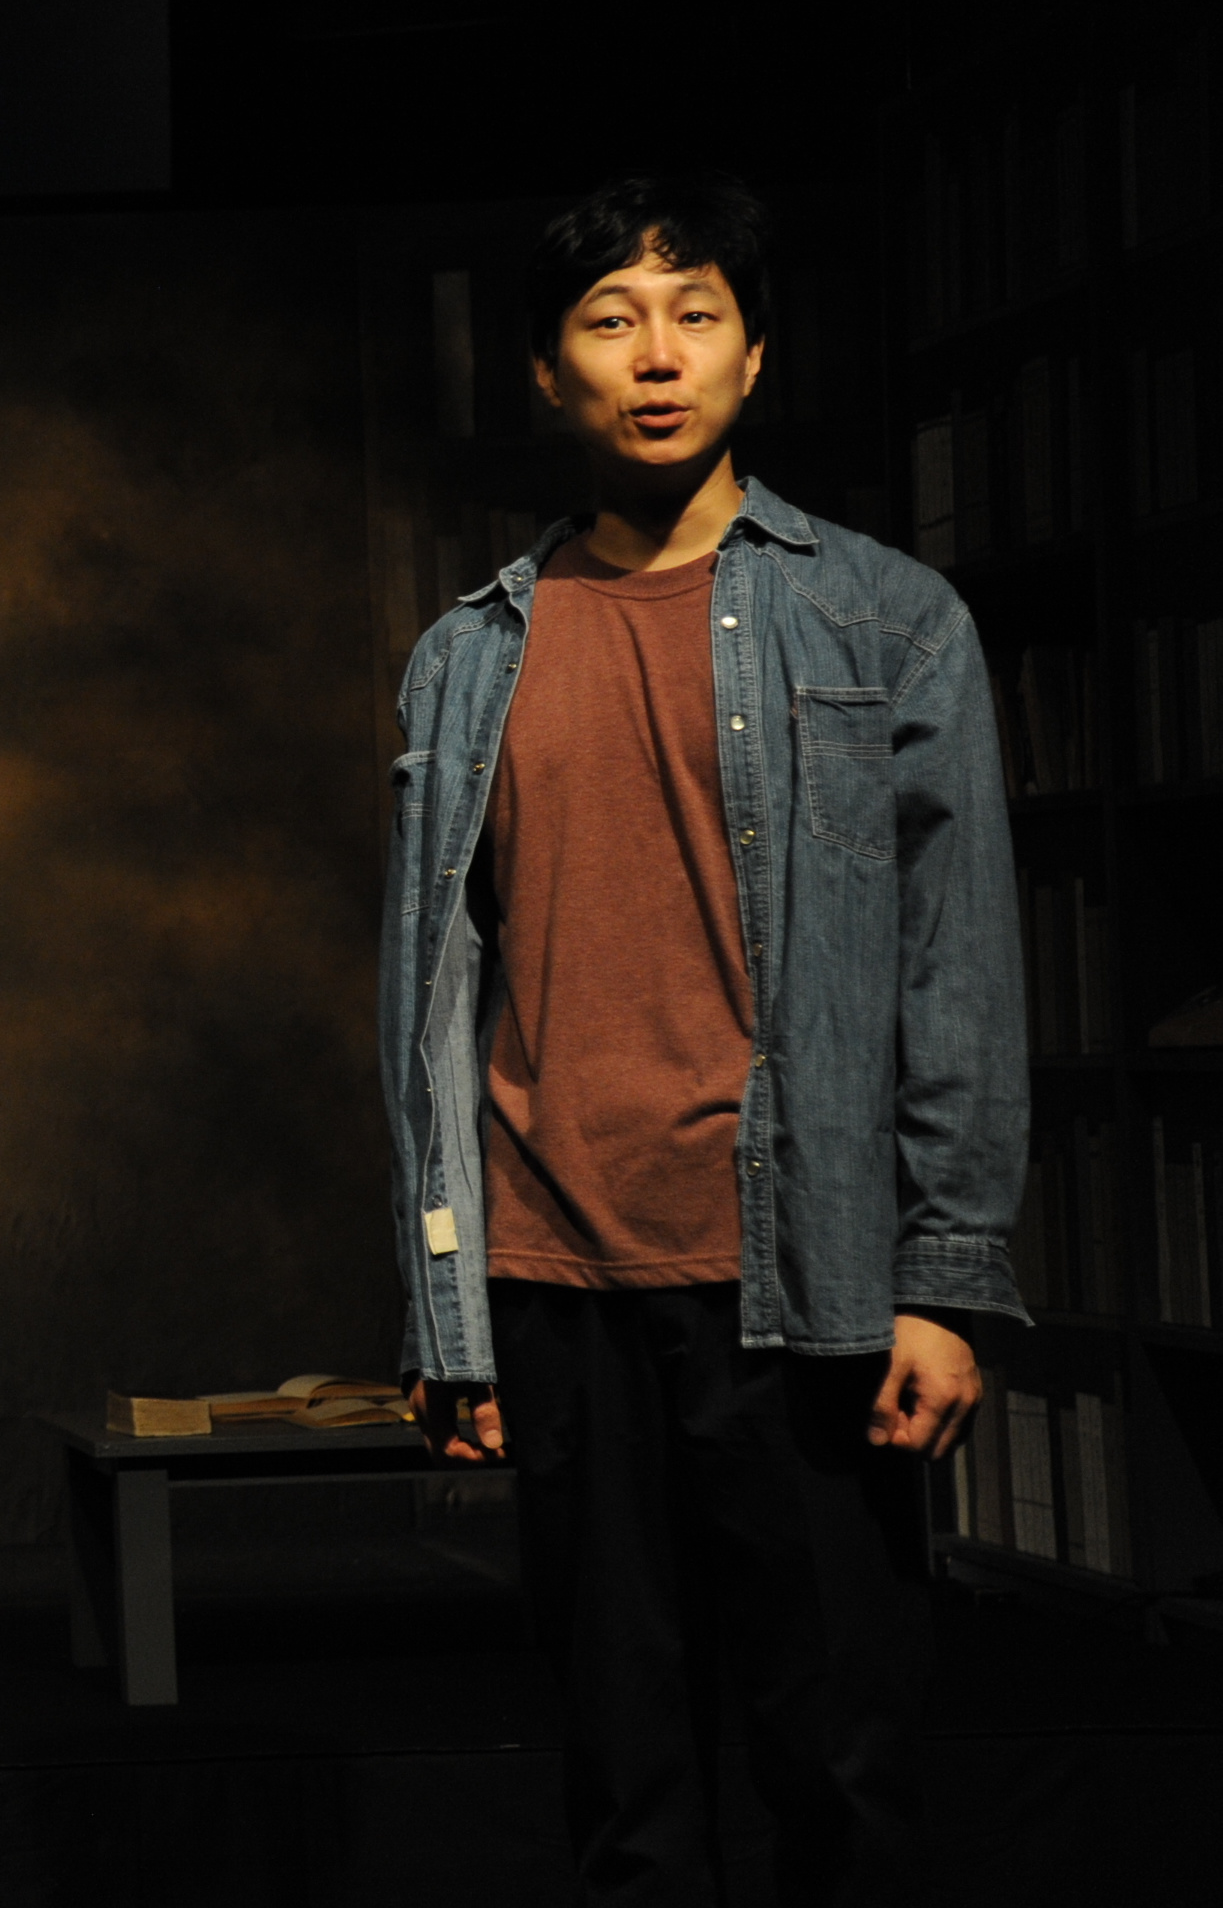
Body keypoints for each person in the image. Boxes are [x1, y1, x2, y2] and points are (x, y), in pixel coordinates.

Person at [379, 173, 1022, 1902]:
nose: (655, 357)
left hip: (802, 1280)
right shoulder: (464, 659)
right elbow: (426, 999)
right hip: (555, 1280)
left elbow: (957, 967)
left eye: (694, 316)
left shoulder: (887, 621)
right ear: (546, 370)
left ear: (752, 355)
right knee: (625, 1789)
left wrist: (944, 1282)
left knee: (840, 1769)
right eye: (610, 322)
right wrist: (446, 1309)